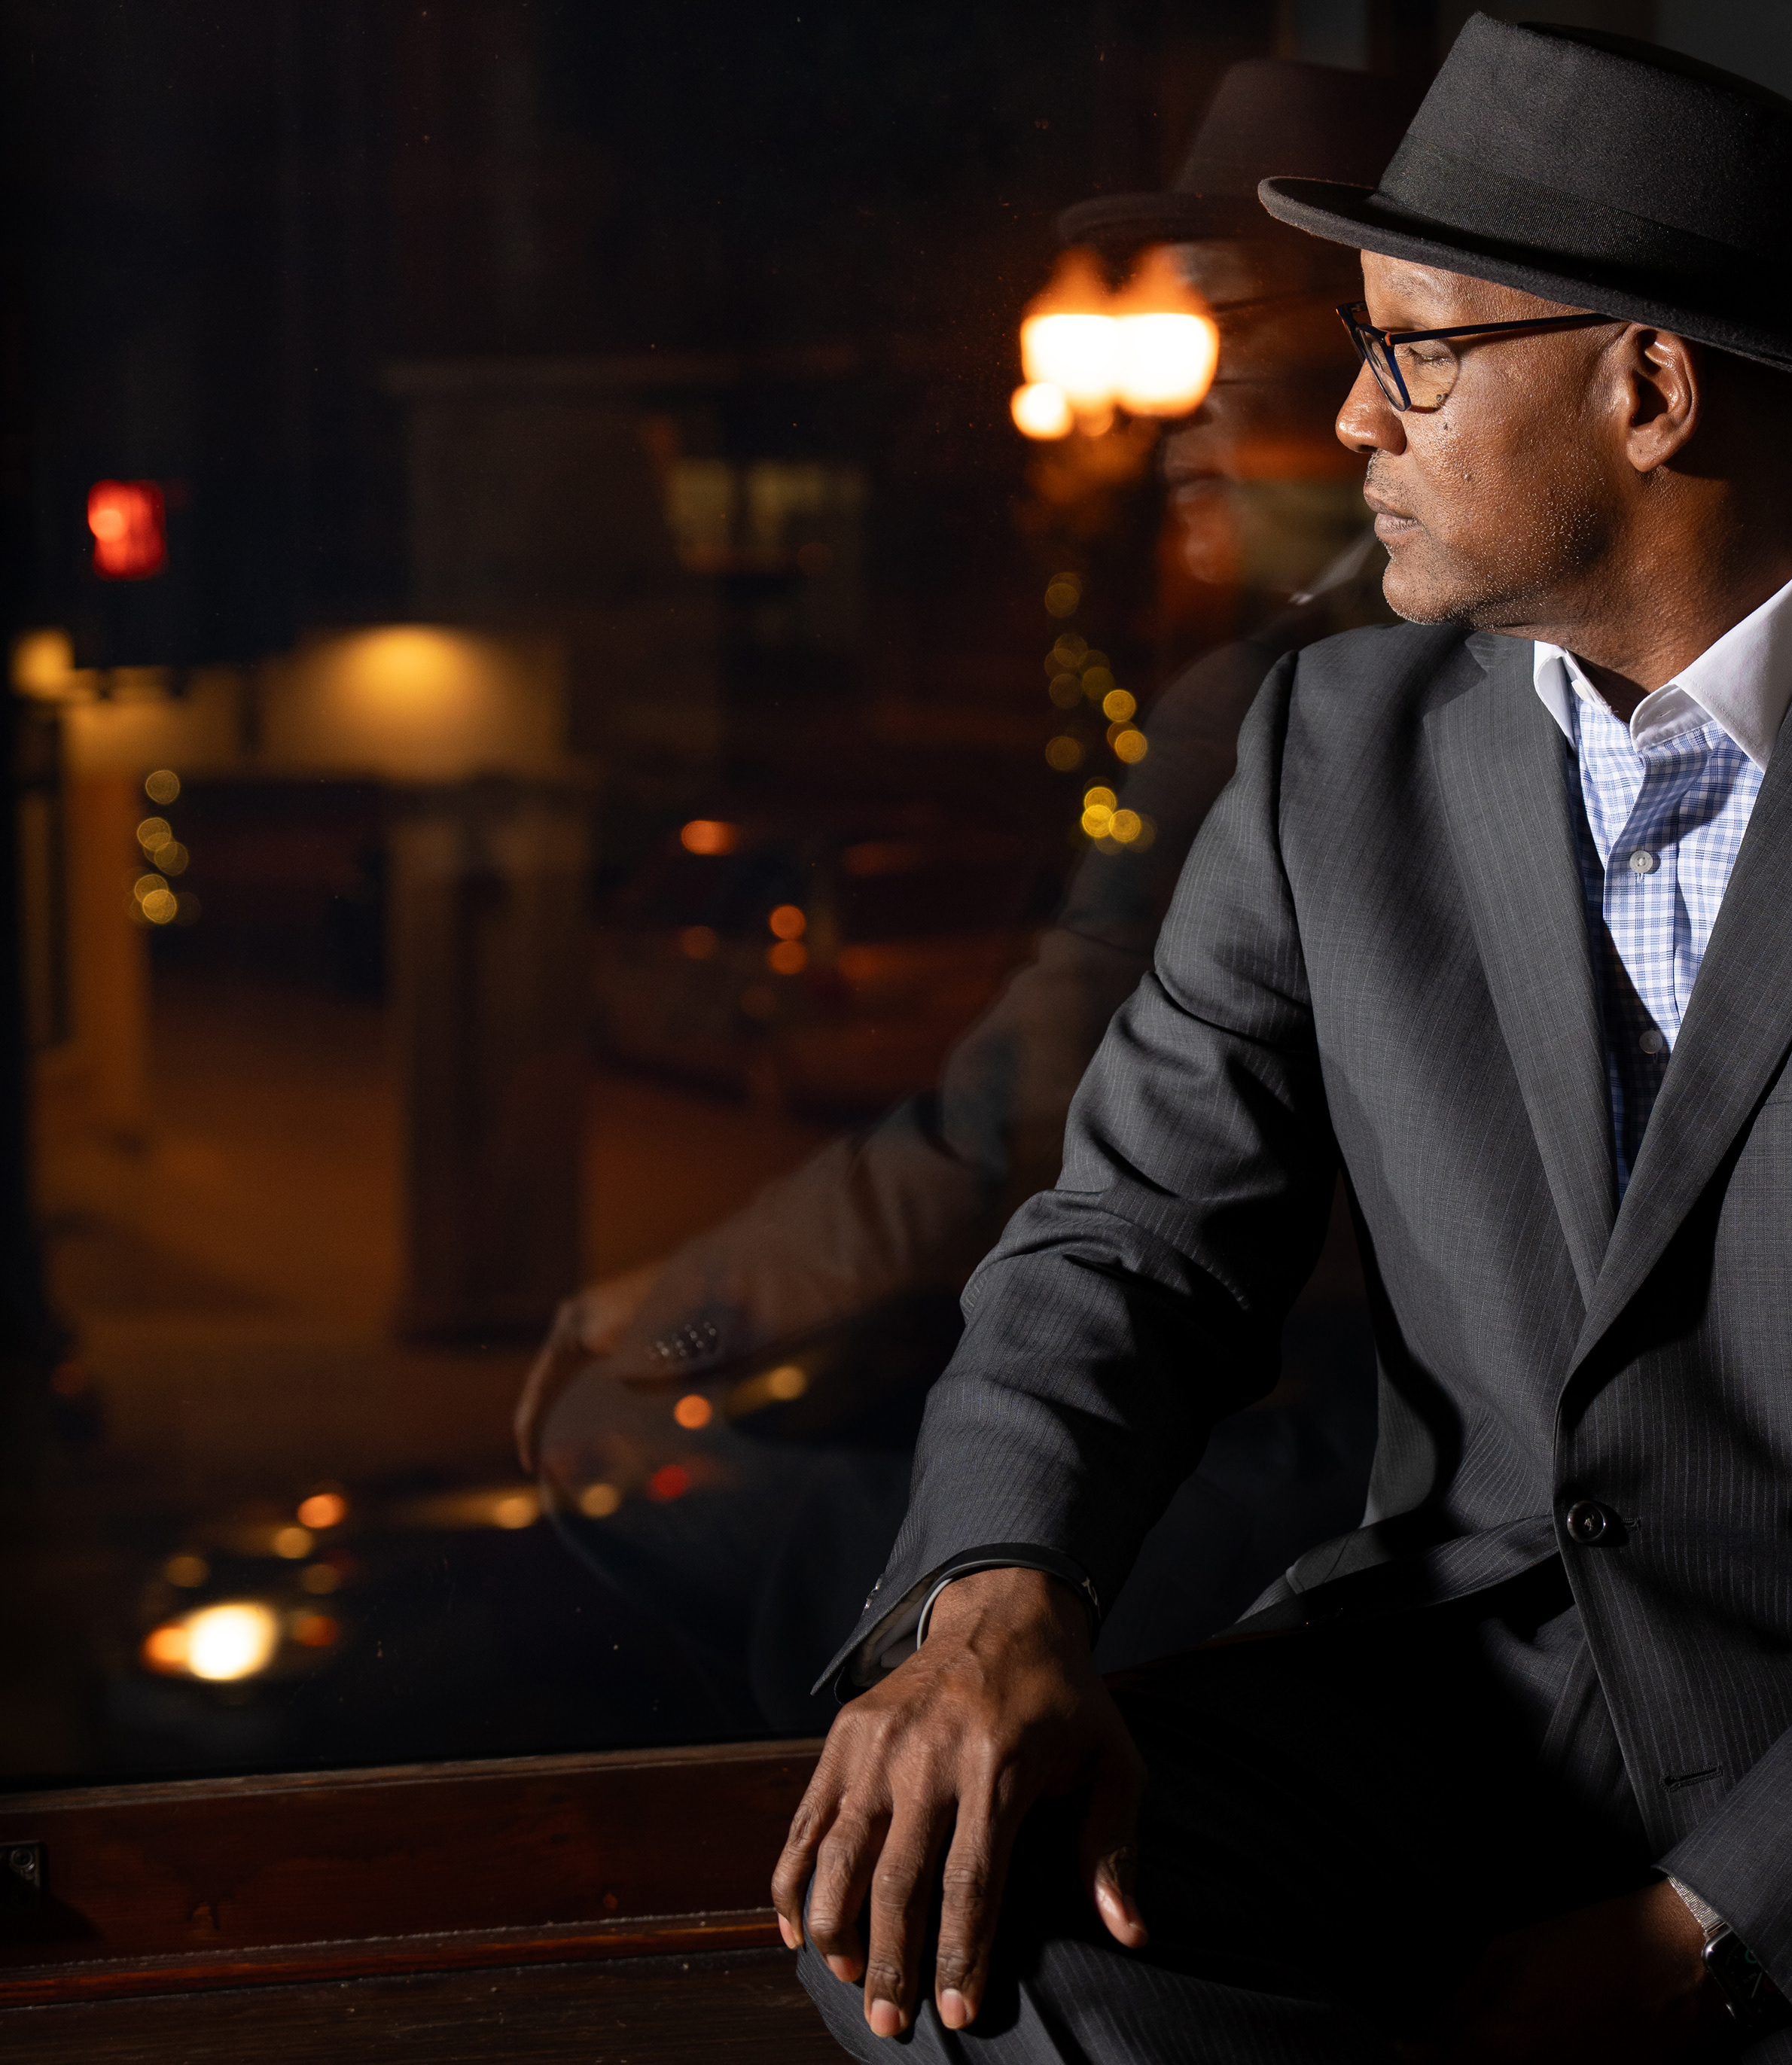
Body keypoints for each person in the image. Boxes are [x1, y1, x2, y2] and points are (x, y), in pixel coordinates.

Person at [780, 19, 1792, 2063]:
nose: (1351, 414)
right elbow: (1134, 1237)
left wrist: (1707, 1931)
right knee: (925, 1897)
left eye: (1411, 352)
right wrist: (997, 1591)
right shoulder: (1333, 751)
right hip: (1437, 1710)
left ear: (1648, 390)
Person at [516, 60, 1421, 1728]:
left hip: (1340, 1482)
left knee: (733, 1545)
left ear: (1385, 356)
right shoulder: (1358, 674)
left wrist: (679, 1329)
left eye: (1241, 338)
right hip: (1337, 1452)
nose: (1187, 410)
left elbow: (1017, 1121)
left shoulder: (1296, 706)